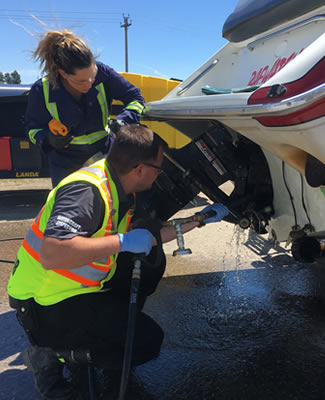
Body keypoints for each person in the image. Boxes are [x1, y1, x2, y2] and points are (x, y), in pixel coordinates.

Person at [8, 124, 229, 400]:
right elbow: (53, 253)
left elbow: (147, 238)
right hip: (43, 303)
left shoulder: (119, 186)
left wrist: (200, 219)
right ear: (139, 169)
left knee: (150, 261)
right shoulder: (87, 192)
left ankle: (107, 336)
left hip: (76, 289)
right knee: (145, 342)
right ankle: (50, 354)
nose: (160, 174)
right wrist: (122, 242)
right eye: (158, 168)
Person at [26, 29, 146, 187]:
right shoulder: (42, 90)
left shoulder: (104, 73)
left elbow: (136, 98)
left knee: (113, 206)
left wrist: (124, 120)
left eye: (93, 76)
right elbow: (32, 130)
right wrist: (49, 139)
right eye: (81, 81)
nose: (90, 84)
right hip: (66, 165)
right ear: (63, 73)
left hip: (105, 156)